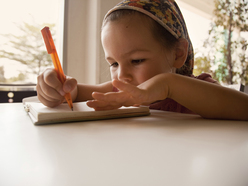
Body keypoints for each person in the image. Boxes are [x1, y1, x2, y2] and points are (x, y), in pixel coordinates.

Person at [37, 0, 248, 120]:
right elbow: (79, 93)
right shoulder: (121, 90)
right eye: (114, 63)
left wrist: (168, 85)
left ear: (178, 54)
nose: (122, 75)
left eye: (137, 60)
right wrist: (60, 88)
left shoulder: (198, 89)